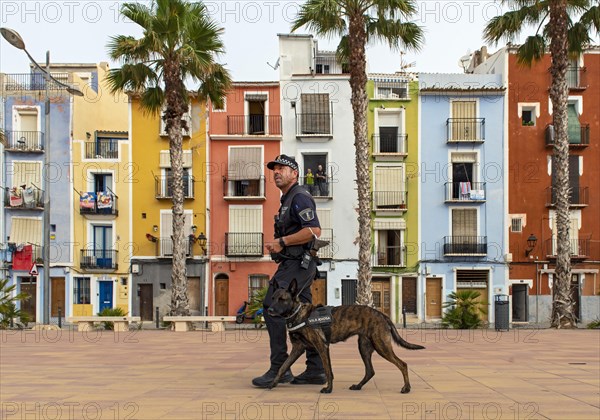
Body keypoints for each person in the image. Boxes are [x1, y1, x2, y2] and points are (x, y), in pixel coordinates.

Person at [251, 154, 326, 388]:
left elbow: (314, 231)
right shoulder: (287, 200)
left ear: (295, 173)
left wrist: (282, 242)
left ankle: (279, 368)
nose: (277, 172)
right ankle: (316, 369)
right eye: (274, 169)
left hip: (298, 265)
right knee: (306, 315)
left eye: (283, 168)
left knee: (272, 307)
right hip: (295, 264)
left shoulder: (299, 197)